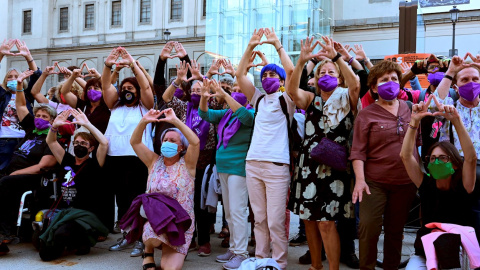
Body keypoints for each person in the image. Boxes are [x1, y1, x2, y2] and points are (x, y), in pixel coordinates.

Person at [287, 37, 359, 270]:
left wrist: (338, 57)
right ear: (316, 79)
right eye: (322, 72)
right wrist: (301, 62)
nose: (326, 75)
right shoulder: (311, 98)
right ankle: (316, 266)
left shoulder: (347, 97)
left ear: (339, 77)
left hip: (334, 168)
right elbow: (290, 90)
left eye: (331, 72)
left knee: (327, 223)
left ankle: (333, 268)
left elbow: (356, 84)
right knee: (308, 219)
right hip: (309, 166)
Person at [235, 28, 294, 270]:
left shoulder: (286, 99)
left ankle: (278, 263)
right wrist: (249, 47)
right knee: (258, 219)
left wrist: (278, 46)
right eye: (265, 74)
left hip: (277, 167)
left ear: (280, 82)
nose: (268, 77)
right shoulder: (258, 99)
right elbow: (239, 75)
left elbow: (291, 70)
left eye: (273, 75)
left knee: (276, 222)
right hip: (253, 164)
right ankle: (261, 260)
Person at [350, 60, 418, 270]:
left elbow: (419, 144)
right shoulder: (366, 114)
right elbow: (358, 151)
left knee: (395, 231)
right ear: (373, 87)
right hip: (374, 182)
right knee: (368, 227)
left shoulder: (410, 109)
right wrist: (360, 180)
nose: (391, 83)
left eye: (394, 79)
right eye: (385, 80)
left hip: (405, 182)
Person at [399, 95, 477, 269]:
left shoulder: (465, 185)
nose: (436, 162)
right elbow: (405, 156)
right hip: (425, 253)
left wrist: (456, 121)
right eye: (432, 159)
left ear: (455, 164)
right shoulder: (426, 184)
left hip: (457, 253)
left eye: (443, 158)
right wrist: (414, 122)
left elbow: (471, 158)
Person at [130, 108, 200, 270]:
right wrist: (144, 121)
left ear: (182, 147)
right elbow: (135, 142)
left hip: (180, 222)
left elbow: (195, 142)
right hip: (156, 220)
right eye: (165, 140)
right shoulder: (153, 161)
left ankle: (170, 247)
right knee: (153, 240)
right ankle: (148, 251)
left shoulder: (188, 164)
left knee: (170, 268)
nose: (168, 142)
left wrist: (175, 121)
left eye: (173, 141)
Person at [101, 47, 155, 256]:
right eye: (124, 87)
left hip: (138, 158)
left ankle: (142, 240)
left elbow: (146, 87)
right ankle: (127, 235)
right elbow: (106, 84)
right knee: (122, 200)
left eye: (131, 87)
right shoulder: (114, 106)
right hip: (116, 157)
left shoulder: (146, 106)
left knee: (139, 198)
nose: (127, 90)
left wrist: (133, 65)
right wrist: (108, 65)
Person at [162, 61, 218, 256]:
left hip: (206, 160)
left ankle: (204, 240)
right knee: (186, 201)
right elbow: (166, 97)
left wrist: (202, 79)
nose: (196, 93)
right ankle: (188, 238)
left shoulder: (213, 105)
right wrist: (178, 80)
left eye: (199, 90)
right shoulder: (184, 108)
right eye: (193, 90)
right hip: (185, 160)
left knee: (201, 203)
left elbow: (218, 96)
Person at [39, 108, 110, 261]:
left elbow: (104, 143)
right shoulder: (67, 160)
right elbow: (50, 141)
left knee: (60, 235)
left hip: (84, 215)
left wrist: (87, 124)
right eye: (76, 142)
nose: (79, 145)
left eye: (84, 143)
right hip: (65, 212)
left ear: (91, 148)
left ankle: (84, 239)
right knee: (41, 244)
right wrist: (54, 126)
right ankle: (75, 242)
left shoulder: (95, 163)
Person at [199, 79, 254, 269]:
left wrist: (226, 94)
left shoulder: (251, 112)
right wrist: (204, 97)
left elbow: (244, 117)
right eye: (235, 90)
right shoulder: (226, 113)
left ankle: (242, 253)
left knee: (238, 212)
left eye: (241, 90)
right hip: (223, 167)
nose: (237, 92)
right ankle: (233, 249)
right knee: (229, 212)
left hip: (239, 168)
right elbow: (204, 114)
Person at [0, 70, 57, 249]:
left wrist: (17, 172)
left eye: (44, 117)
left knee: (5, 183)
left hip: (33, 178)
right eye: (38, 116)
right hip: (13, 173)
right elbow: (21, 106)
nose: (39, 119)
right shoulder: (32, 131)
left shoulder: (53, 140)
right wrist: (19, 85)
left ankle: (6, 233)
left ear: (52, 121)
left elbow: (43, 166)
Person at [435, 54, 480, 240]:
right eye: (465, 80)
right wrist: (451, 71)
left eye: (476, 79)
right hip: (454, 171)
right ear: (456, 86)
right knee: (455, 222)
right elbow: (433, 105)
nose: (471, 83)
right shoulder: (449, 108)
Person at [0, 39, 41, 171]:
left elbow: (36, 76)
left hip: (24, 140)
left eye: (16, 76)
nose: (13, 79)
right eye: (9, 77)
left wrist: (28, 56)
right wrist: (1, 55)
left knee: (20, 171)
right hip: (4, 140)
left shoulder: (27, 95)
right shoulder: (2, 95)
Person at [61, 68, 111, 134]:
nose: (92, 91)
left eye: (96, 88)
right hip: (83, 142)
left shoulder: (108, 107)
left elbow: (107, 87)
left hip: (102, 143)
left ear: (103, 91)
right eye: (89, 89)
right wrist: (72, 76)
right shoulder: (82, 105)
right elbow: (65, 92)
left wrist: (98, 76)